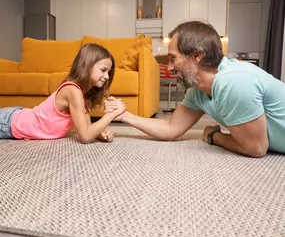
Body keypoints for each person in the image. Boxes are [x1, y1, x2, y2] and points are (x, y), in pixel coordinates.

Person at [105, 21, 285, 158]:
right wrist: (124, 116)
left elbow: (256, 148)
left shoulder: (233, 80)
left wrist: (214, 136)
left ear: (197, 56)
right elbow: (170, 128)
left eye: (173, 58)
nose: (169, 68)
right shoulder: (198, 92)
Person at [0, 43, 125, 143]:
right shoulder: (72, 90)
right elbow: (85, 137)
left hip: (18, 115)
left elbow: (86, 129)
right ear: (87, 66)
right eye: (103, 70)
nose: (107, 76)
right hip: (9, 122)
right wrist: (111, 115)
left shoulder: (83, 93)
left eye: (109, 72)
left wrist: (99, 135)